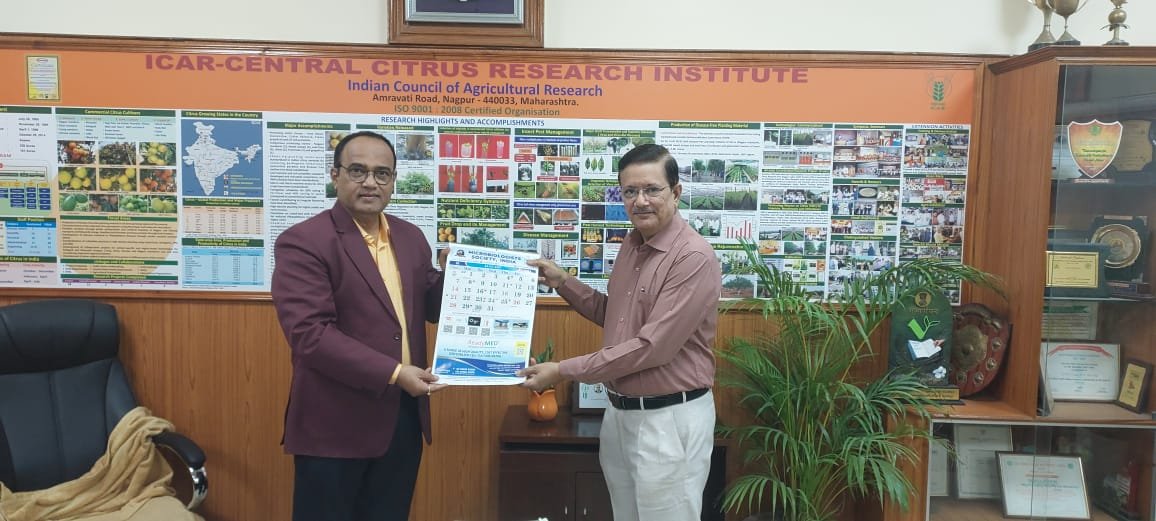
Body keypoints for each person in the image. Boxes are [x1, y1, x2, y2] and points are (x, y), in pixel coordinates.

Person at [519, 144, 722, 521]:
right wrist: (563, 282)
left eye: (652, 189)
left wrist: (562, 370)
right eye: (630, 191)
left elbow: (651, 347)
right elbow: (617, 318)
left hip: (668, 418)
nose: (640, 201)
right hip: (620, 414)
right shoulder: (631, 244)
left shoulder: (692, 257)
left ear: (676, 192)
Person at [271, 131, 448, 521]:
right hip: (334, 426)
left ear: (394, 180)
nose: (370, 182)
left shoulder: (410, 237)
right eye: (358, 171)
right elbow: (310, 335)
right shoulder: (304, 241)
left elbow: (431, 306)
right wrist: (395, 373)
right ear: (335, 175)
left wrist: (459, 275)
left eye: (382, 173)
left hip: (401, 420)